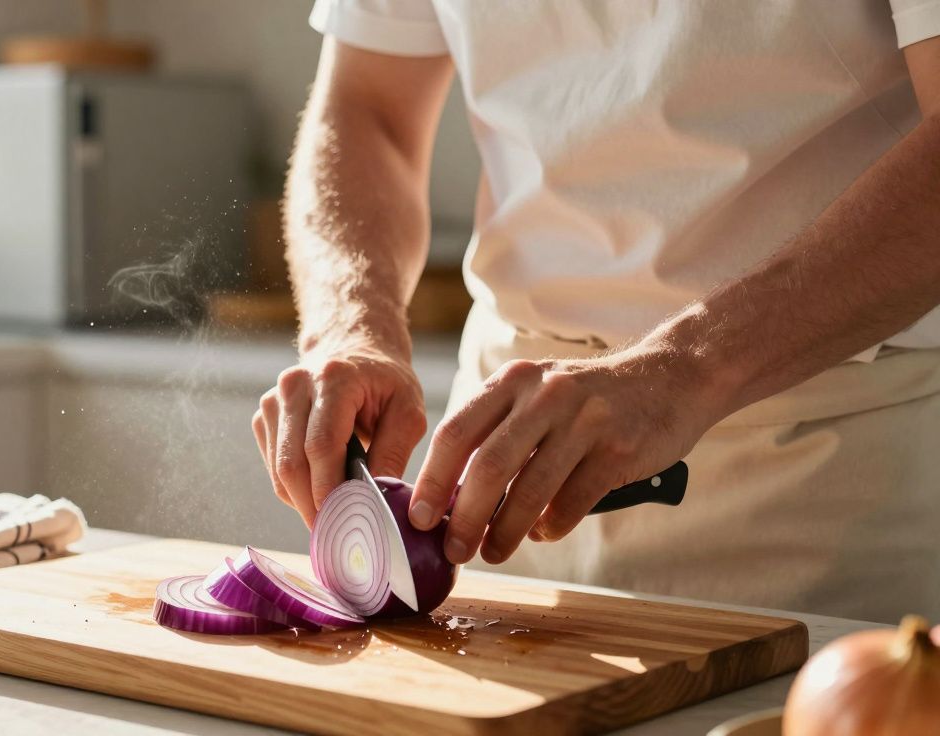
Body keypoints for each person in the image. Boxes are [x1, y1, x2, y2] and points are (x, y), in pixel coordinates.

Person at [252, 0, 940, 624]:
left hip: (826, 480)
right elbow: (369, 109)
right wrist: (352, 325)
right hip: (503, 469)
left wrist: (679, 371)